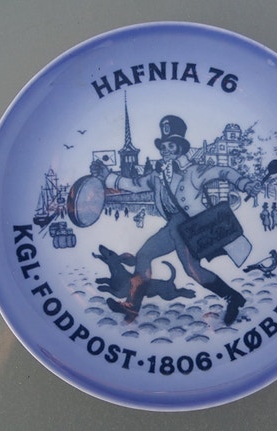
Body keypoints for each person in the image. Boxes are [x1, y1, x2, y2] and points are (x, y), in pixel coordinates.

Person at [90, 115, 261, 325]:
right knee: (144, 254)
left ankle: (232, 297)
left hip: (191, 227)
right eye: (163, 146)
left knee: (193, 271)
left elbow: (223, 171)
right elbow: (134, 184)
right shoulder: (157, 175)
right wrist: (107, 176)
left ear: (180, 148)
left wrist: (245, 184)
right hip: (172, 226)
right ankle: (132, 305)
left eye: (171, 145)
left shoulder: (193, 171)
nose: (166, 150)